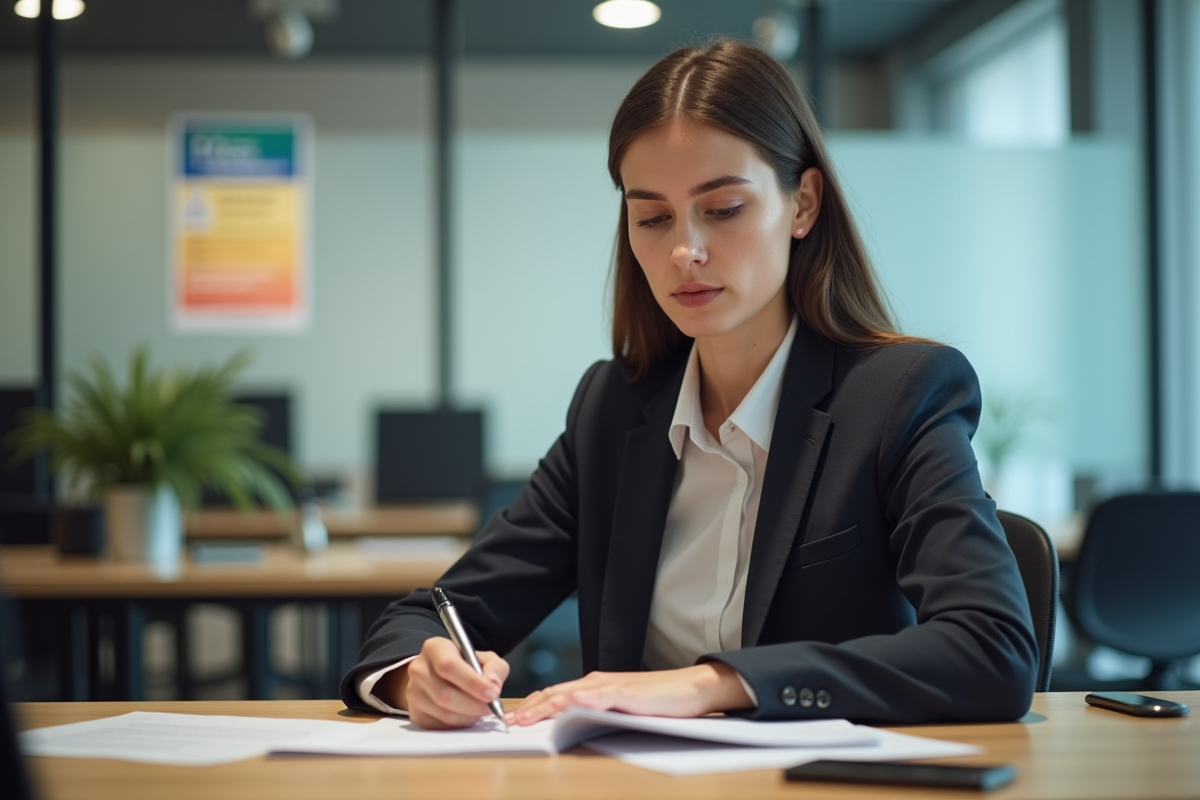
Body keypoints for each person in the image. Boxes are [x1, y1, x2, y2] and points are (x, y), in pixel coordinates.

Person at [339, 39, 1038, 730]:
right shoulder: (613, 411)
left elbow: (992, 649)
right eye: (652, 217)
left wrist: (714, 684)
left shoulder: (898, 396)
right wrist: (415, 676)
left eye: (724, 208)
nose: (684, 252)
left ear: (803, 204)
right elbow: (433, 614)